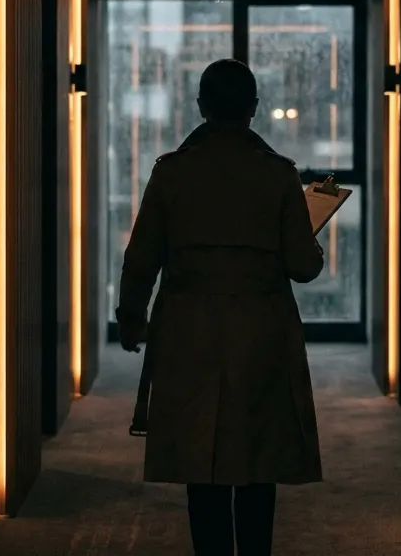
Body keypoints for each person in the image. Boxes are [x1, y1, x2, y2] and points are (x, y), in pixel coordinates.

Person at [116, 58, 326, 556]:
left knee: (201, 463)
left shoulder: (171, 173)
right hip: (262, 330)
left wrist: (131, 318)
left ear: (202, 107)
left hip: (189, 330)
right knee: (259, 461)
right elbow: (304, 267)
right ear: (253, 109)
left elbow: (142, 256)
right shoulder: (278, 176)